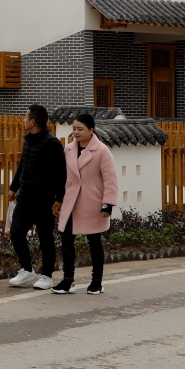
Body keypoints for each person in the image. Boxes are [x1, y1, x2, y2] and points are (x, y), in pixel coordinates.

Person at [51, 112, 119, 295]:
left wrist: (108, 204)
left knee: (94, 242)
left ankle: (97, 282)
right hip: (70, 202)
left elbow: (110, 180)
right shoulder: (68, 150)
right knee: (66, 240)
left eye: (80, 129)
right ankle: (68, 281)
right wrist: (58, 200)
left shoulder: (102, 151)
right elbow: (63, 177)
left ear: (91, 130)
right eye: (74, 129)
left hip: (92, 203)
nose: (76, 132)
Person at [7, 104, 65, 289]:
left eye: (25, 117)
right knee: (16, 232)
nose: (23, 120)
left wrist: (59, 198)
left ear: (32, 121)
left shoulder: (52, 143)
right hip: (25, 197)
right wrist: (13, 187)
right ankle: (27, 270)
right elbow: (22, 166)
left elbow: (61, 174)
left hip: (44, 199)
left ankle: (47, 276)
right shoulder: (29, 140)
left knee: (45, 237)